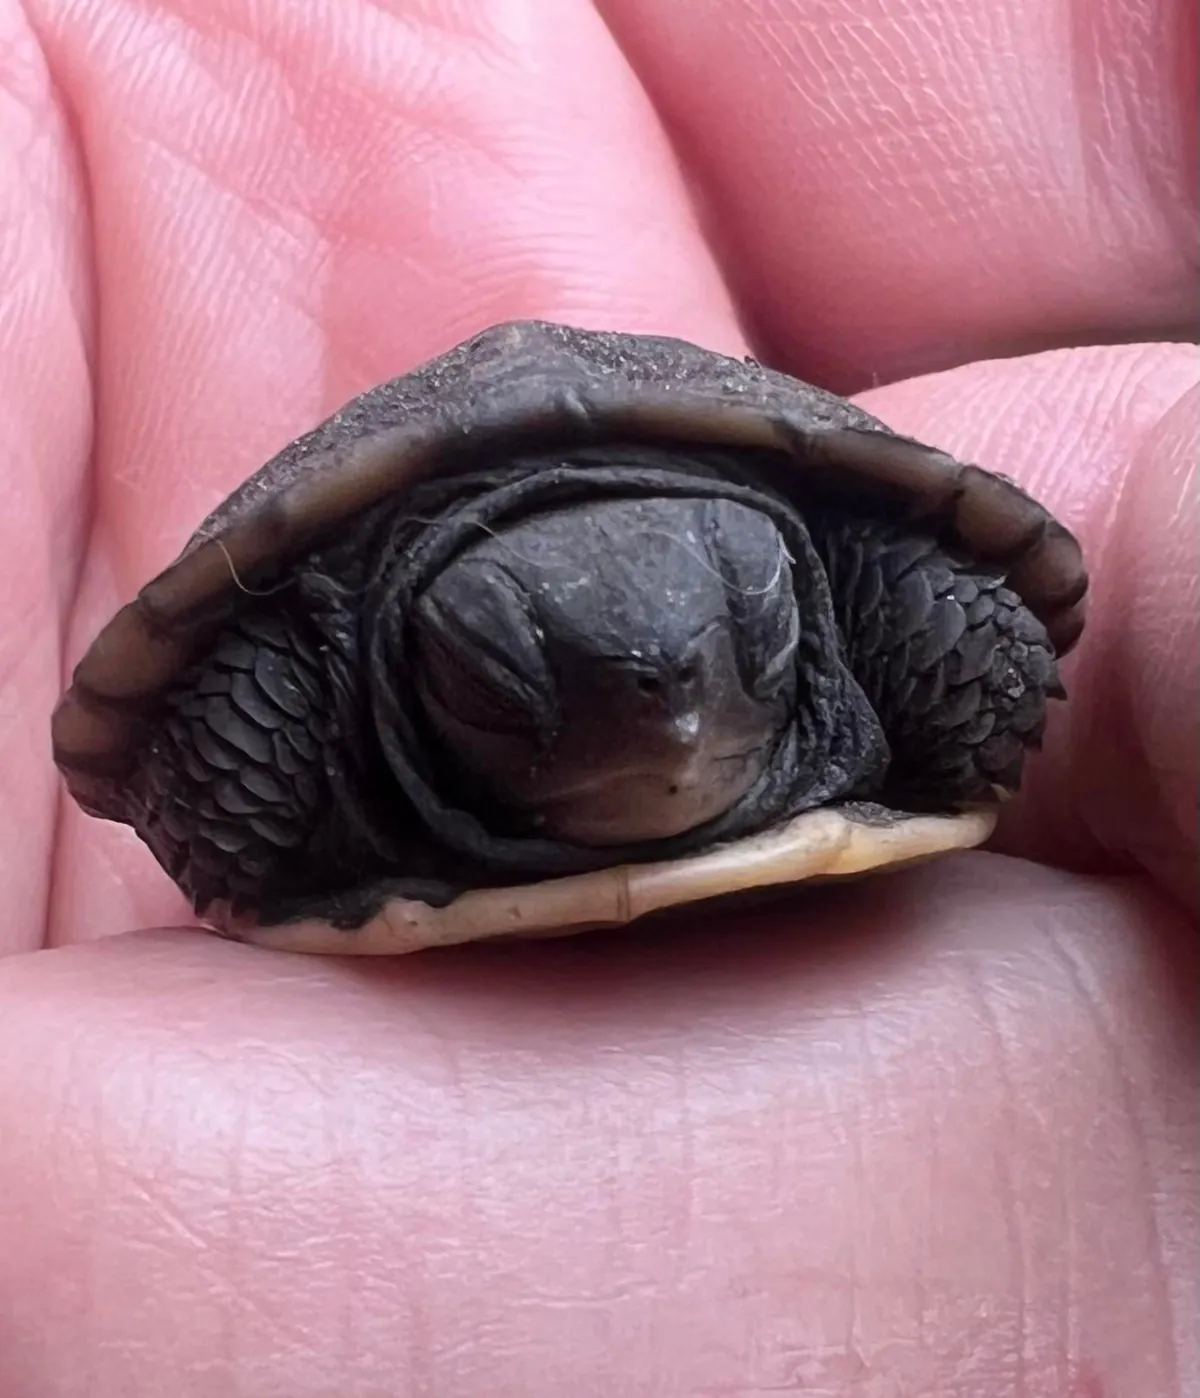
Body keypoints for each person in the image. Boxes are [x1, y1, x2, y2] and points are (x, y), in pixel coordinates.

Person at [0, 1, 1194, 1393]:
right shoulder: (308, 647)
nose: (670, 713)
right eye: (516, 685)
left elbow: (975, 605)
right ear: (412, 675)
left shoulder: (865, 575)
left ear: (797, 618)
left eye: (734, 654)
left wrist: (965, 695)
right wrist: (241, 813)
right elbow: (200, 719)